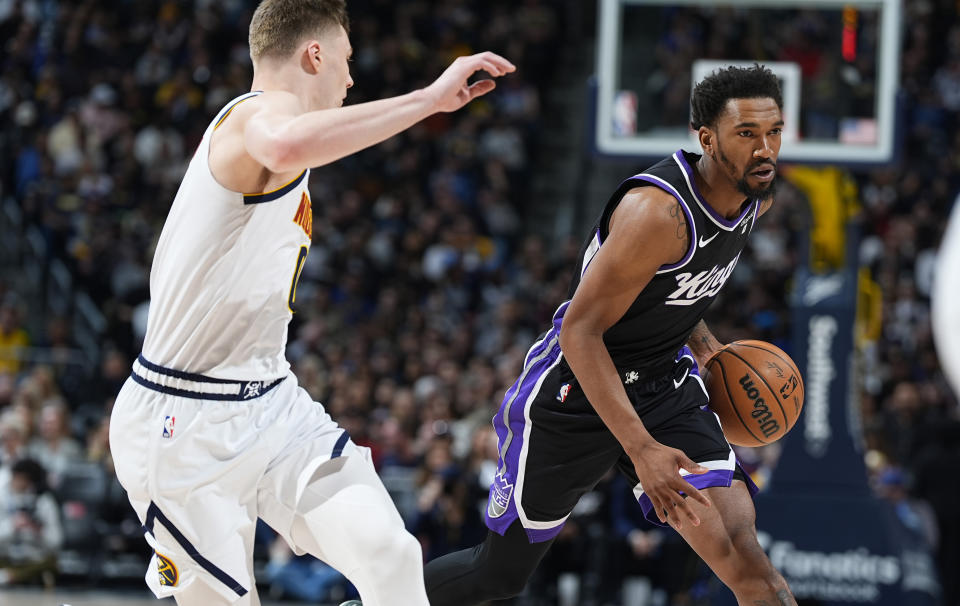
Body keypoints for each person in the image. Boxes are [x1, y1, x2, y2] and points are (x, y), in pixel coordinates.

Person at [107, 1, 515, 605]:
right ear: (314, 54)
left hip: (270, 401)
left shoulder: (279, 133)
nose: (351, 80)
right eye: (346, 62)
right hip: (181, 421)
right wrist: (429, 99)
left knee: (391, 554)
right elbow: (286, 144)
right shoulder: (255, 118)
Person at [424, 64, 797, 606]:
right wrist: (641, 448)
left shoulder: (754, 197)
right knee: (499, 576)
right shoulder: (658, 213)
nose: (765, 149)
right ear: (707, 139)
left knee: (744, 556)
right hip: (577, 388)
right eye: (747, 134)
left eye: (774, 132)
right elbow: (580, 331)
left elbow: (673, 292)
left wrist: (708, 346)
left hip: (663, 383)